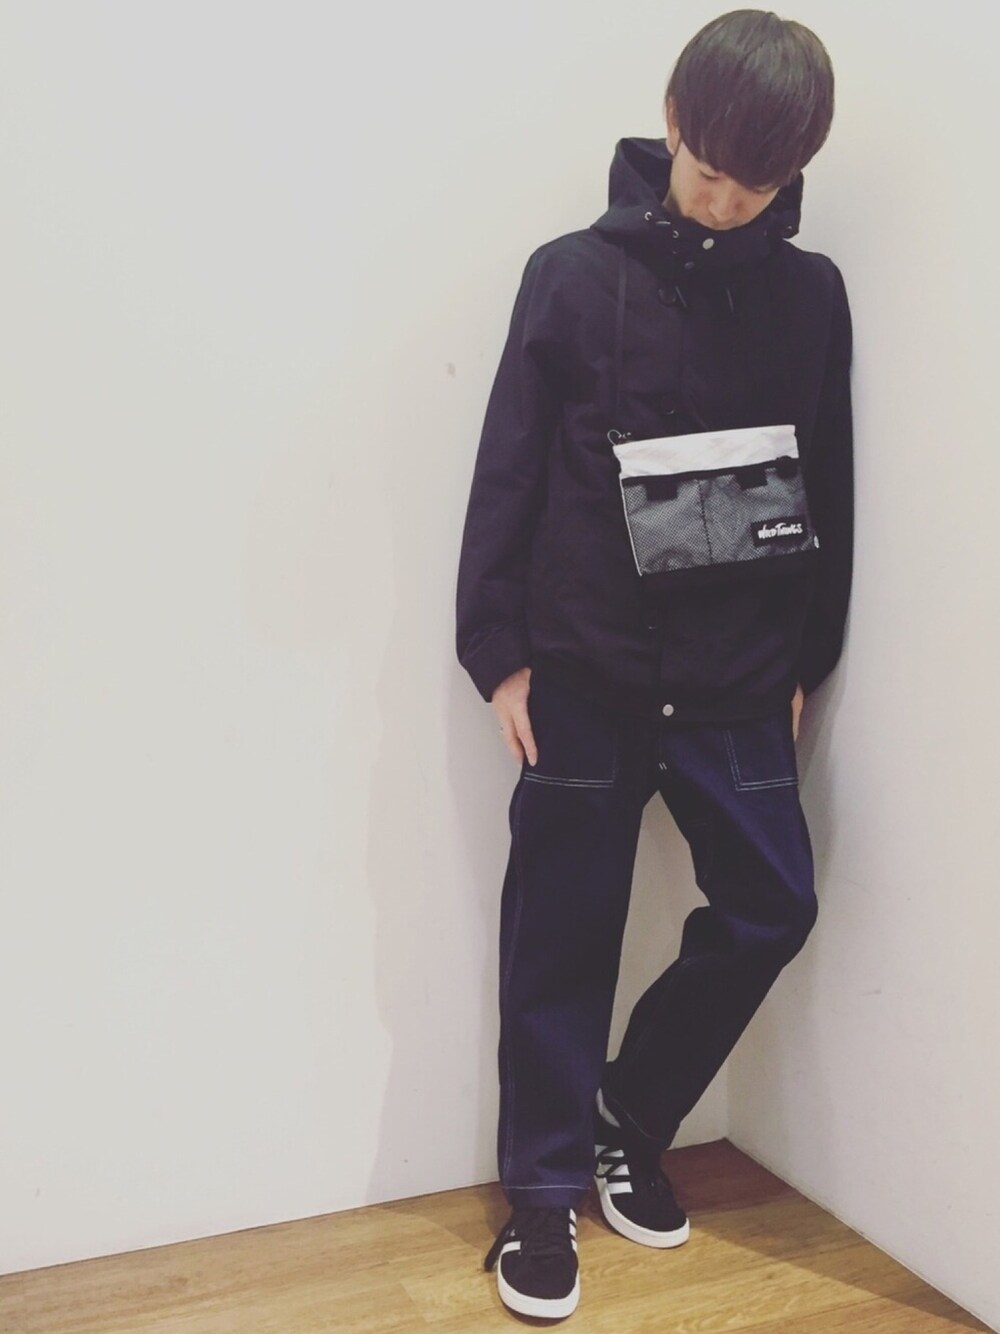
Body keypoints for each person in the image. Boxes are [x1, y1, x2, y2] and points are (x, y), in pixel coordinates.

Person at [455, 9, 853, 1321]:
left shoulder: (810, 293)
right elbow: (509, 466)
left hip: (738, 675)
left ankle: (630, 1115)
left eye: (758, 185)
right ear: (672, 123)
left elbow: (829, 478)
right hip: (583, 665)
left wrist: (806, 657)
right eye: (711, 171)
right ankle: (541, 1194)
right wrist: (498, 653)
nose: (726, 203)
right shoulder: (570, 276)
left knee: (774, 901)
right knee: (558, 934)